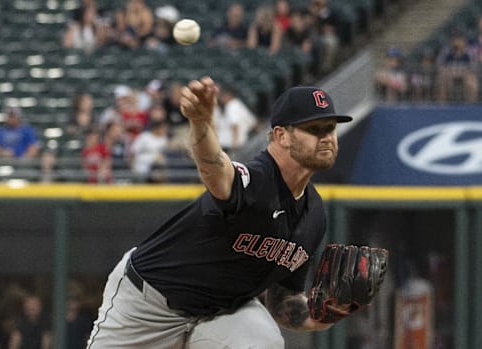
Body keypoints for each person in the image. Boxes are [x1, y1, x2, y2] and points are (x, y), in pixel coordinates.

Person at [86, 76, 353, 348]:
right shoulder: (258, 180)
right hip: (149, 305)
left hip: (223, 313)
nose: (327, 137)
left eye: (330, 128)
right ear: (281, 135)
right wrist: (202, 124)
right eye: (314, 128)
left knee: (263, 342)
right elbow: (217, 172)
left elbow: (283, 300)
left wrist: (322, 315)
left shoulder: (314, 215)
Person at [214, 84, 258, 156]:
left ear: (228, 95)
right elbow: (253, 122)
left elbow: (234, 124)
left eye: (222, 96)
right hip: (240, 142)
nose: (221, 99)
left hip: (230, 143)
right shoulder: (238, 104)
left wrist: (235, 140)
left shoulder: (231, 106)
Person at [436, 31, 478, 103]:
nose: (457, 42)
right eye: (455, 40)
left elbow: (474, 66)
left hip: (466, 74)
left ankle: (471, 105)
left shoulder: (470, 51)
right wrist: (448, 71)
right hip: (449, 74)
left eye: (459, 40)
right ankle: (442, 105)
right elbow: (439, 65)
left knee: (472, 81)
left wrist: (463, 72)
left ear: (464, 41)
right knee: (442, 79)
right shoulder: (446, 51)